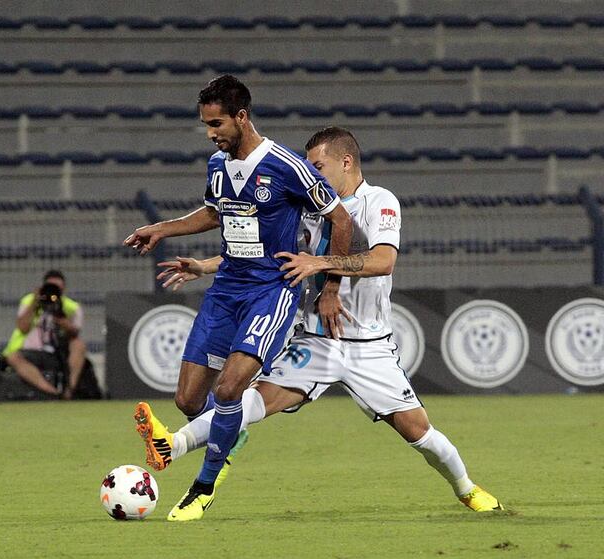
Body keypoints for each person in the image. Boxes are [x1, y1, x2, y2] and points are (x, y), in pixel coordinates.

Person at [138, 126, 502, 517]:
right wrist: (206, 266)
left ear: (346, 162)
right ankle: (172, 445)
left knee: (420, 434)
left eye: (319, 165)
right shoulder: (309, 206)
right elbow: (273, 256)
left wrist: (323, 264)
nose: (312, 173)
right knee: (251, 399)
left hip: (368, 345)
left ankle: (466, 488)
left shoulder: (380, 202)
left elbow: (384, 260)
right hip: (315, 339)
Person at [124, 76, 351, 522]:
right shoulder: (217, 165)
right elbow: (214, 212)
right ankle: (230, 430)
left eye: (217, 124)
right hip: (226, 288)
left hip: (272, 291)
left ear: (241, 117)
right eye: (206, 125)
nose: (211, 133)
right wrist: (162, 228)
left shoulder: (287, 166)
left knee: (229, 387)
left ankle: (202, 489)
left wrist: (329, 283)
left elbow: (339, 219)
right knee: (189, 400)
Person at [2, 270, 86, 399]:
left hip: (58, 352)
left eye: (57, 288)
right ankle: (51, 392)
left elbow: (75, 333)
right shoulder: (29, 301)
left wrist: (60, 317)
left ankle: (69, 390)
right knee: (13, 357)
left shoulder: (71, 307)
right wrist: (35, 303)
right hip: (31, 351)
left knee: (79, 345)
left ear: (63, 289)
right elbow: (22, 327)